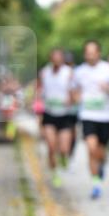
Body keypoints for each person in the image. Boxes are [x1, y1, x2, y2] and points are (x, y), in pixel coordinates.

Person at [70, 40, 109, 199]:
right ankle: (96, 184)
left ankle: (101, 165)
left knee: (100, 152)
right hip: (87, 116)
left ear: (99, 53)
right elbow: (73, 91)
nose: (90, 55)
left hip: (105, 117)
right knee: (91, 148)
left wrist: (107, 89)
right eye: (87, 53)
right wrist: (76, 97)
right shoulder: (79, 71)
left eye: (93, 52)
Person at [36, 48, 76, 188]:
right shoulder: (44, 73)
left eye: (59, 57)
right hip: (49, 114)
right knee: (51, 146)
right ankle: (55, 174)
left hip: (64, 114)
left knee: (64, 148)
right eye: (54, 57)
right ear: (50, 58)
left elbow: (74, 94)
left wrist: (70, 101)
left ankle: (64, 158)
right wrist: (38, 110)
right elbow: (39, 92)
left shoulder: (69, 73)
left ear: (62, 58)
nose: (57, 59)